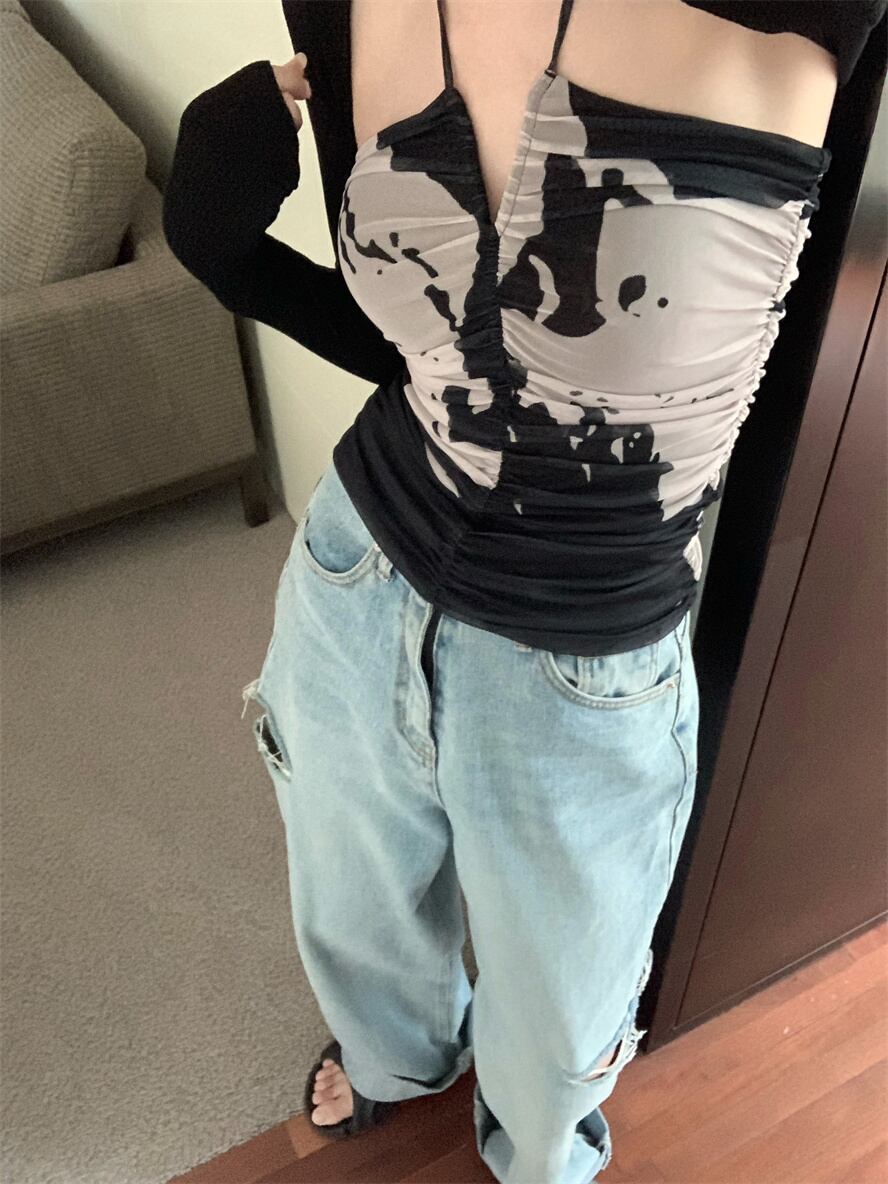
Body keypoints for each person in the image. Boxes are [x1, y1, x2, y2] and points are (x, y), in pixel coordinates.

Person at [162, 2, 885, 1180]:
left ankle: (536, 1151)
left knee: (557, 1040)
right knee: (360, 919)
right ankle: (399, 1064)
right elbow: (430, 346)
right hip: (359, 573)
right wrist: (224, 253)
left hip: (583, 655)